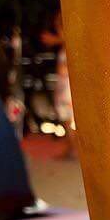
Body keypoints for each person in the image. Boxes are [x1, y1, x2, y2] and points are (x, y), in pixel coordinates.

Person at [40, 11, 76, 158]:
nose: (57, 28)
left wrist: (54, 40)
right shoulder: (65, 44)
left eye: (59, 25)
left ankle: (72, 148)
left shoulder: (69, 43)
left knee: (69, 118)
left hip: (67, 87)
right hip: (64, 85)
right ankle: (70, 147)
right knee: (67, 119)